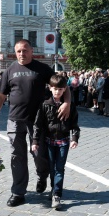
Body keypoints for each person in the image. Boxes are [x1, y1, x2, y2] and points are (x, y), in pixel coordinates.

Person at [0, 39, 70, 207]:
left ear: (32, 50)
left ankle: (42, 174)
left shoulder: (42, 69)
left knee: (40, 154)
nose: (21, 54)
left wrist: (67, 103)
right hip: (15, 120)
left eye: (25, 50)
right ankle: (18, 192)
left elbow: (63, 86)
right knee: (17, 156)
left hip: (39, 121)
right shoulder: (9, 70)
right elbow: (0, 96)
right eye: (18, 51)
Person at [31, 74, 79, 209]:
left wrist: (74, 138)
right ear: (50, 88)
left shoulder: (70, 106)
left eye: (60, 89)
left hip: (63, 141)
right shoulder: (45, 105)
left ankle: (57, 194)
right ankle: (53, 189)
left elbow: (74, 124)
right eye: (55, 89)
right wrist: (35, 141)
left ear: (64, 89)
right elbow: (38, 124)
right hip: (49, 141)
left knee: (60, 168)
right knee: (52, 169)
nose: (57, 92)